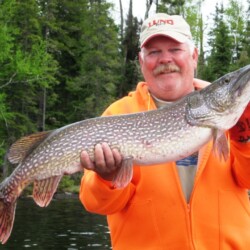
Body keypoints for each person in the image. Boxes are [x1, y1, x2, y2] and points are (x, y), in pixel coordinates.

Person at [79, 13, 250, 250]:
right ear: (141, 62)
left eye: (175, 49)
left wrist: (244, 136)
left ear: (194, 56)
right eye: (154, 52)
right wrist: (105, 178)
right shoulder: (118, 114)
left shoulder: (232, 112)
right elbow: (95, 203)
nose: (165, 59)